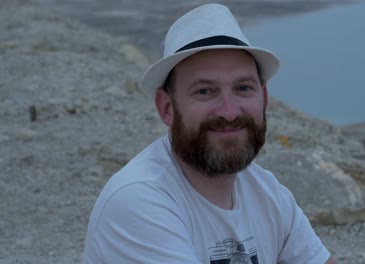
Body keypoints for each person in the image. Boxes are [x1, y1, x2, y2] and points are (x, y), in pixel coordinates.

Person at [82, 3, 337, 263]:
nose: (229, 112)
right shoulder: (139, 201)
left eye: (243, 88)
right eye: (205, 91)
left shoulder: (267, 191)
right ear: (167, 108)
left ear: (265, 98)